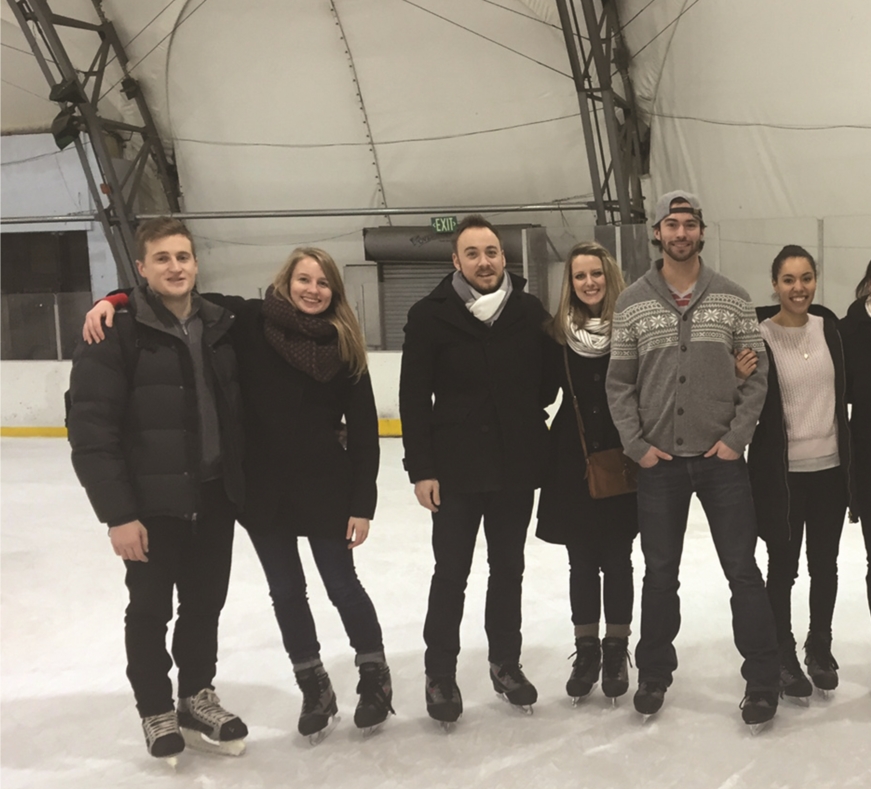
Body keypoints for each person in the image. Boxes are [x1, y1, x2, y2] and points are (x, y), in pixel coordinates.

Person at [84, 248, 390, 743]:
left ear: (334, 291)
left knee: (341, 585)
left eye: (323, 283)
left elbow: (365, 431)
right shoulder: (248, 321)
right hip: (262, 492)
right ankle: (314, 686)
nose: (312, 290)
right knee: (287, 592)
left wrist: (362, 503)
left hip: (326, 490)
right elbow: (181, 294)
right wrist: (114, 298)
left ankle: (374, 677)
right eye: (303, 279)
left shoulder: (344, 345)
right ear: (285, 282)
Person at [68, 217, 248, 763]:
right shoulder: (114, 332)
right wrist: (117, 514)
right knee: (149, 609)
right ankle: (155, 707)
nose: (176, 267)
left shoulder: (219, 320)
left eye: (184, 257)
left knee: (204, 604)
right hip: (150, 505)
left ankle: (195, 695)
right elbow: (91, 431)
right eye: (163, 258)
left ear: (196, 265)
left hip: (214, 495)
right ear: (142, 268)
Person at [605, 190, 780, 728]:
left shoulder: (733, 298)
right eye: (670, 225)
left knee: (743, 572)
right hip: (660, 464)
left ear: (701, 232)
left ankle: (763, 679)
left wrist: (735, 439)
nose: (680, 233)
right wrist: (637, 446)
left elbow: (758, 379)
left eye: (689, 225)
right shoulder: (632, 301)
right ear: (657, 233)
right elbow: (619, 383)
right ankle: (654, 672)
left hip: (721, 460)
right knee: (660, 574)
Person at [400, 215, 560, 724]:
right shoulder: (430, 316)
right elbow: (412, 398)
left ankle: (505, 663)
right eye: (473, 253)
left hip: (514, 467)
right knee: (451, 573)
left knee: (508, 570)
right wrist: (421, 468)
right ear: (456, 261)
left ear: (504, 256)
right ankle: (439, 674)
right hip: (454, 471)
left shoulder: (530, 311)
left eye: (491, 251)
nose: (484, 261)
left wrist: (521, 425)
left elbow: (548, 384)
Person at [534, 242, 638, 704]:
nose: (589, 282)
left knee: (617, 559)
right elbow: (535, 391)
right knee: (581, 563)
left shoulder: (630, 329)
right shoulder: (555, 336)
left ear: (608, 276)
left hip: (621, 457)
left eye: (596, 273)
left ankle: (616, 648)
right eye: (579, 276)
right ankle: (587, 649)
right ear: (569, 284)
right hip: (572, 462)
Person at [747, 245, 851, 700]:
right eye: (788, 279)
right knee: (783, 568)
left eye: (806, 278)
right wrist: (738, 374)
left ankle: (820, 646)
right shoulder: (757, 334)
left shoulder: (830, 329)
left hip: (830, 470)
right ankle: (783, 653)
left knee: (824, 565)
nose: (798, 288)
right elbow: (741, 394)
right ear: (775, 284)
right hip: (781, 475)